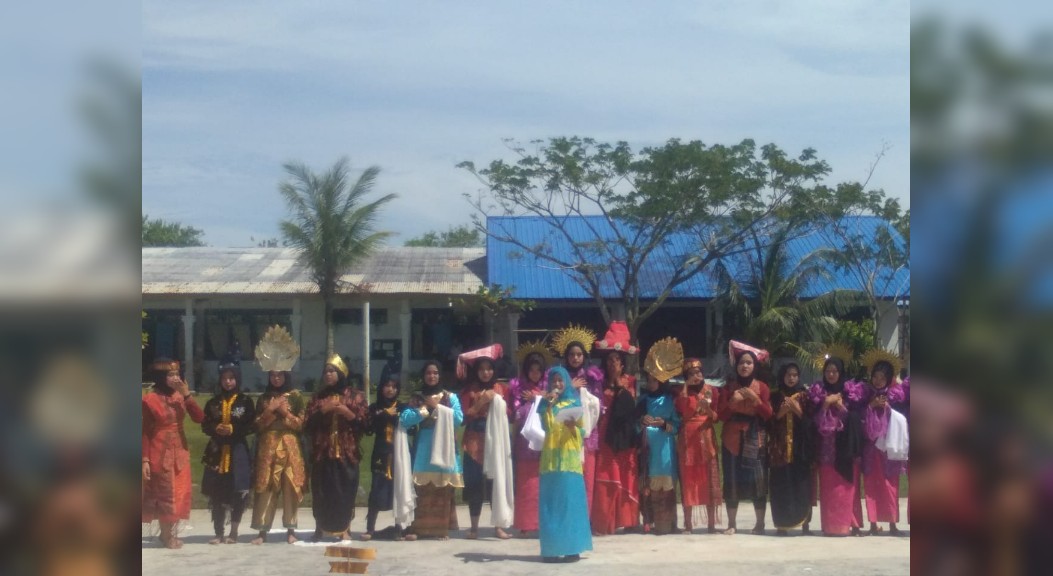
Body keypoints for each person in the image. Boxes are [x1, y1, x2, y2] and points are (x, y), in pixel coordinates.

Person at [142, 359, 205, 549]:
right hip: (160, 449)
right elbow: (145, 431)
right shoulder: (149, 400)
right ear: (161, 378)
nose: (175, 378)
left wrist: (187, 395)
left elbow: (199, 418)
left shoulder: (180, 397)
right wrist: (144, 459)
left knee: (181, 490)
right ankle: (167, 535)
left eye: (177, 374)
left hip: (180, 448)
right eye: (170, 375)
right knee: (165, 493)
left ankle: (170, 532)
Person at [304, 354, 368, 542]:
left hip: (346, 451)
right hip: (322, 452)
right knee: (321, 491)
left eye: (332, 371)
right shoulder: (318, 397)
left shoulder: (355, 396)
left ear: (341, 373)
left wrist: (346, 412)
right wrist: (324, 410)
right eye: (325, 372)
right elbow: (307, 424)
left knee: (345, 491)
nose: (328, 375)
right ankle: (319, 529)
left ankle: (345, 529)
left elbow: (364, 424)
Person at [399, 360, 464, 540]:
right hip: (424, 447)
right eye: (428, 373)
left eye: (435, 373)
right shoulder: (418, 397)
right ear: (423, 375)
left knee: (443, 489)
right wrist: (425, 408)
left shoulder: (450, 397)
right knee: (422, 489)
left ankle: (441, 530)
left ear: (440, 375)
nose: (432, 376)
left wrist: (437, 407)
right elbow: (404, 419)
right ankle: (420, 529)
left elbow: (459, 419)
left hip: (445, 446)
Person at [716, 341, 774, 535]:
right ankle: (732, 523)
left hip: (755, 437)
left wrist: (754, 400)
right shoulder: (728, 388)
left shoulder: (763, 388)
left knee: (758, 481)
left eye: (749, 362)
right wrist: (734, 402)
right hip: (731, 438)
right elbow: (720, 416)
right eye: (742, 362)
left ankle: (760, 524)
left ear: (754, 366)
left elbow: (768, 414)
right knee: (731, 480)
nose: (745, 366)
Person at [537, 366, 593, 563]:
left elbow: (582, 431)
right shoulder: (545, 403)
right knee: (551, 504)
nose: (558, 384)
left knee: (570, 503)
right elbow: (545, 425)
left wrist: (573, 427)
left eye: (561, 380)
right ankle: (551, 549)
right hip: (551, 459)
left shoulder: (574, 401)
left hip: (569, 459)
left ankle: (572, 548)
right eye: (554, 381)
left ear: (567, 382)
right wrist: (548, 404)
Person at [457, 344, 513, 539]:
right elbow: (463, 418)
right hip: (474, 441)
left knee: (495, 482)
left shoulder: (502, 389)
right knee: (474, 483)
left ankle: (498, 526)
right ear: (476, 371)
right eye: (481, 369)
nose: (486, 373)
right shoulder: (467, 392)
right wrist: (481, 402)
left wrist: (498, 404)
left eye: (489, 369)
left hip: (495, 441)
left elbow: (511, 415)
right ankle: (474, 527)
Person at [590, 322, 641, 535]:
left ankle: (628, 520)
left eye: (617, 361)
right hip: (603, 434)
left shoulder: (630, 381)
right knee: (605, 473)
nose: (613, 364)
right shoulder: (598, 383)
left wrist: (621, 390)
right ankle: (605, 522)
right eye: (609, 360)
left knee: (626, 473)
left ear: (623, 364)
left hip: (625, 435)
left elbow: (633, 407)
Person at [808, 356, 866, 536]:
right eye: (828, 371)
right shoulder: (818, 393)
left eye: (834, 371)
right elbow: (813, 422)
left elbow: (857, 420)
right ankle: (830, 526)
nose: (831, 374)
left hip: (845, 448)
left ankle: (849, 524)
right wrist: (825, 404)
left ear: (840, 373)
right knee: (828, 488)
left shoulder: (850, 392)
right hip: (826, 450)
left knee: (848, 487)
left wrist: (841, 406)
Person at [200, 361, 257, 544]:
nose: (228, 382)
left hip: (237, 451)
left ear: (237, 379)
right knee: (217, 492)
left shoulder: (245, 402)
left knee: (238, 490)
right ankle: (218, 532)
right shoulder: (213, 402)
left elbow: (251, 425)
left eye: (231, 378)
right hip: (216, 451)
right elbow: (205, 424)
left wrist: (233, 429)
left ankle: (234, 531)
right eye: (224, 378)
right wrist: (215, 428)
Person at [550, 325, 603, 514]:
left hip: (587, 434)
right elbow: (552, 401)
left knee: (587, 478)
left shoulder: (592, 376)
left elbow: (597, 404)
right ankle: (568, 515)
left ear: (584, 356)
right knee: (568, 477)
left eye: (579, 354)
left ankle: (585, 517)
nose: (575, 358)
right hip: (564, 435)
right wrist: (570, 387)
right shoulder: (559, 377)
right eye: (571, 354)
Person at [250, 369, 306, 545]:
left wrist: (285, 413)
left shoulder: (296, 397)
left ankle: (291, 529)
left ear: (286, 376)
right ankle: (262, 531)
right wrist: (271, 410)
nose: (276, 378)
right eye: (273, 375)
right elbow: (257, 425)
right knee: (266, 485)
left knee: (290, 485)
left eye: (280, 375)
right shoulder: (264, 398)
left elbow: (301, 425)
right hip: (268, 446)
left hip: (290, 444)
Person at [638, 337, 682, 535]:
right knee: (650, 484)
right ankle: (652, 521)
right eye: (648, 379)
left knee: (667, 484)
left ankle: (670, 523)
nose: (650, 382)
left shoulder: (669, 400)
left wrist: (665, 424)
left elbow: (677, 424)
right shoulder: (643, 400)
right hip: (649, 447)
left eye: (654, 380)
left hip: (665, 446)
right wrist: (642, 421)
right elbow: (634, 424)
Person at [860, 353, 908, 535]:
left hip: (889, 448)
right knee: (872, 485)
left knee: (890, 485)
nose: (878, 381)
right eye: (875, 377)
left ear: (889, 379)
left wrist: (887, 408)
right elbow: (860, 422)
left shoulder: (896, 396)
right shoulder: (865, 395)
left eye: (882, 377)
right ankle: (873, 523)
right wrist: (871, 406)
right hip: (871, 449)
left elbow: (901, 419)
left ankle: (892, 523)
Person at [674, 357, 721, 534]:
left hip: (706, 436)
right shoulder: (681, 392)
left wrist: (708, 410)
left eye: (699, 372)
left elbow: (716, 418)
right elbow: (682, 410)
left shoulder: (712, 391)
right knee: (688, 480)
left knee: (709, 478)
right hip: (688, 439)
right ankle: (688, 524)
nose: (697, 375)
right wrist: (686, 386)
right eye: (692, 373)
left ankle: (711, 524)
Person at [508, 344, 550, 538]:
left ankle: (542, 522)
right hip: (524, 443)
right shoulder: (517, 388)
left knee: (543, 484)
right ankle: (525, 523)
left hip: (544, 443)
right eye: (531, 370)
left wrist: (538, 398)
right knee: (525, 484)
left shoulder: (548, 389)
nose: (535, 374)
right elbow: (515, 412)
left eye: (538, 370)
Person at [768, 362, 815, 535]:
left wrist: (797, 411)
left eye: (795, 375)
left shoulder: (805, 396)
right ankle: (782, 525)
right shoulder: (774, 396)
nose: (791, 378)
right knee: (781, 485)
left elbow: (811, 424)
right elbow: (767, 422)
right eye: (788, 374)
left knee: (802, 484)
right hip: (779, 449)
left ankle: (804, 524)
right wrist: (780, 413)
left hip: (799, 448)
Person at [362, 377, 409, 540]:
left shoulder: (402, 407)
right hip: (380, 453)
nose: (390, 389)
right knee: (376, 488)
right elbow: (368, 427)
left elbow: (410, 426)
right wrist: (383, 415)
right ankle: (370, 528)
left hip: (398, 453)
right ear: (381, 388)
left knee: (399, 488)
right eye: (387, 386)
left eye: (394, 386)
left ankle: (399, 528)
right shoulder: (375, 407)